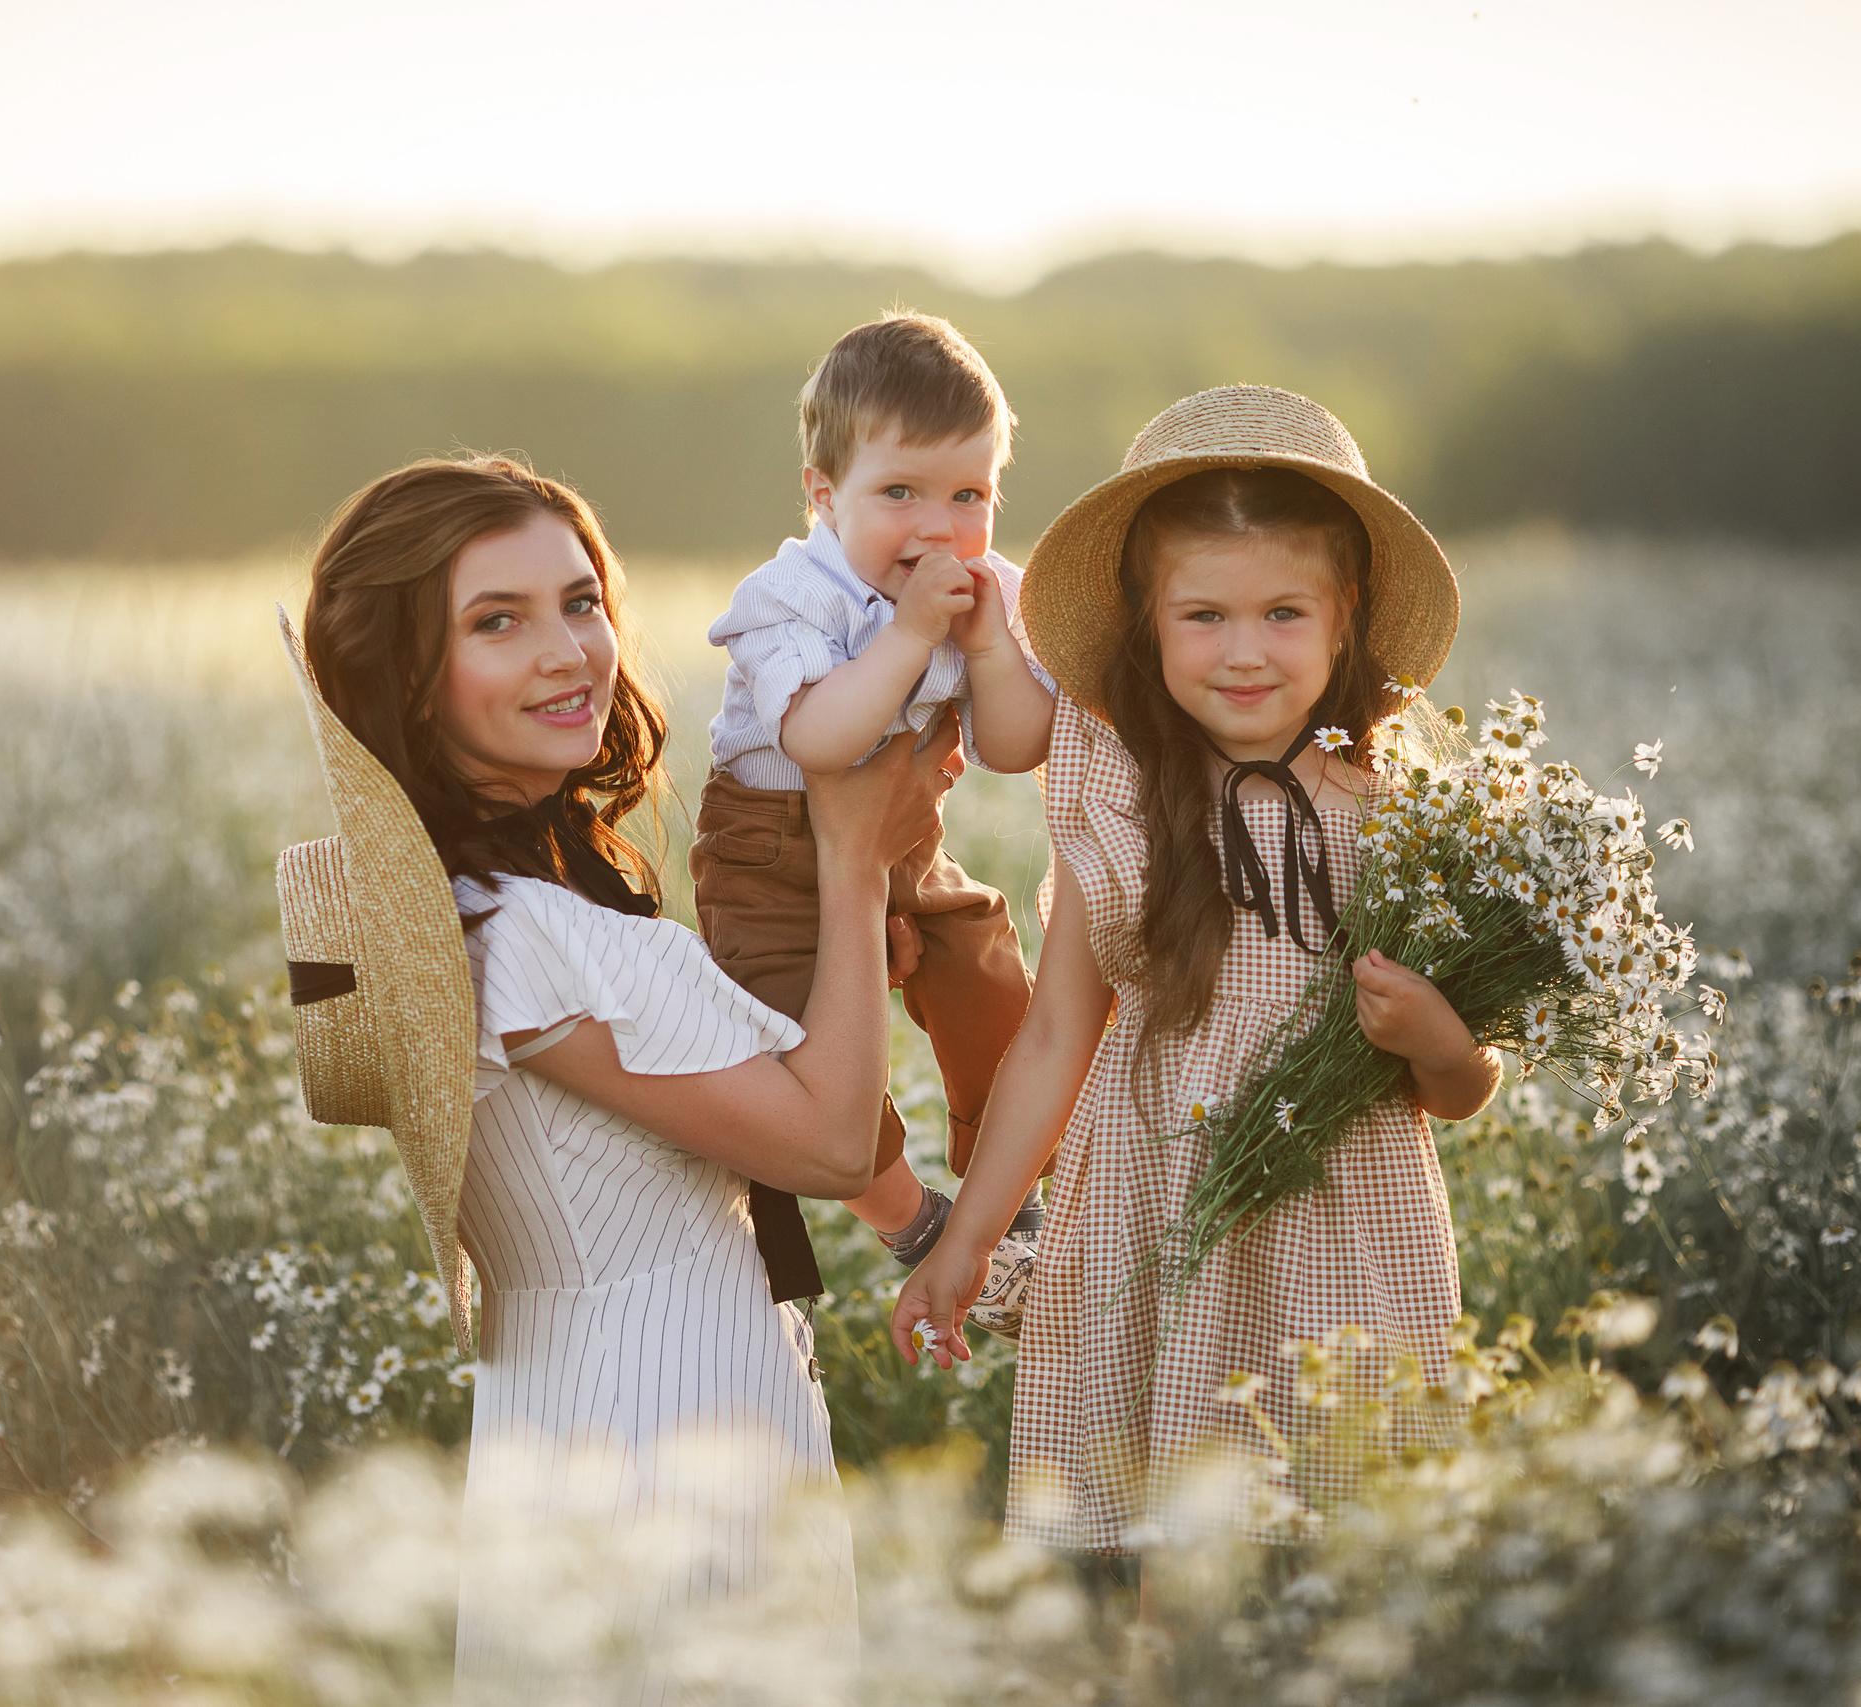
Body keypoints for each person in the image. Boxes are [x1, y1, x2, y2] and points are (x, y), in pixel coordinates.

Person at [281, 455, 956, 1699]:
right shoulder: (528, 936)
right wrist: (851, 860)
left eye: (581, 603)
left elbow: (795, 1121)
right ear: (406, 681)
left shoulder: (497, 911)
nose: (567, 652)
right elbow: (824, 1147)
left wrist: (935, 1235)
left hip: (597, 1403)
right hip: (654, 1438)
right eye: (498, 622)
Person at [889, 386, 1498, 1572]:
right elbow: (1058, 1034)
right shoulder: (1114, 789)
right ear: (1147, 623)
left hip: (1342, 1215)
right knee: (1167, 1553)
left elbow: (1461, 1090)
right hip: (1148, 1210)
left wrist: (1433, 1035)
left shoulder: (1403, 816)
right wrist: (964, 1243)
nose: (1243, 651)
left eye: (1282, 612)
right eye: (1203, 615)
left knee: (1338, 1547)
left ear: (1344, 619)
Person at [694, 313, 1055, 1309]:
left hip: (899, 842)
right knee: (788, 1043)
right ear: (823, 496)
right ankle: (909, 1216)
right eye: (899, 493)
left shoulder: (985, 590)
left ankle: (1008, 1187)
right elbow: (819, 739)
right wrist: (906, 636)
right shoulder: (788, 598)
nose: (938, 526)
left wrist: (985, 648)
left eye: (968, 495)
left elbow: (1019, 747)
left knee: (984, 959)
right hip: (767, 855)